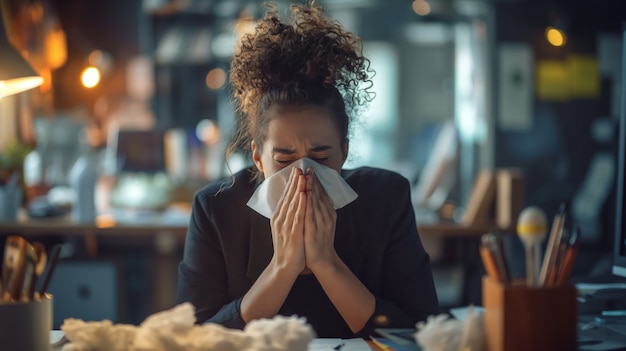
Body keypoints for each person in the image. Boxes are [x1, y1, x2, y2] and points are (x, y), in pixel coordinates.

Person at [176, 1, 439, 338]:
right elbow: (194, 339)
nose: (303, 174)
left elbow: (421, 332)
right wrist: (283, 267)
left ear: (343, 151)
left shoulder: (384, 200)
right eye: (284, 160)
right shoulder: (216, 210)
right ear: (257, 157)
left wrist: (326, 264)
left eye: (321, 157)